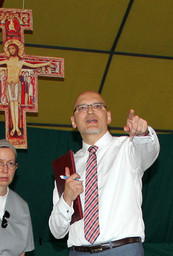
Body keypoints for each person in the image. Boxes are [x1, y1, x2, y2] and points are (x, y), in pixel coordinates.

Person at [49, 91, 160, 256]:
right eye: (82, 108)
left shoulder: (128, 148)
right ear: (73, 121)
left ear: (108, 117)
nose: (90, 111)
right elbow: (57, 231)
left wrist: (142, 133)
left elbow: (149, 149)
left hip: (123, 251)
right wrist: (67, 199)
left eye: (97, 106)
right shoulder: (67, 167)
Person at [0, 40, 52, 137]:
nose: (11, 50)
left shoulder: (21, 61)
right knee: (11, 106)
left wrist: (45, 64)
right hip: (9, 84)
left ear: (16, 49)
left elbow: (33, 65)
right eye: (9, 49)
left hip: (16, 84)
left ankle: (16, 127)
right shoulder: (7, 61)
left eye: (12, 48)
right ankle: (13, 127)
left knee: (16, 106)